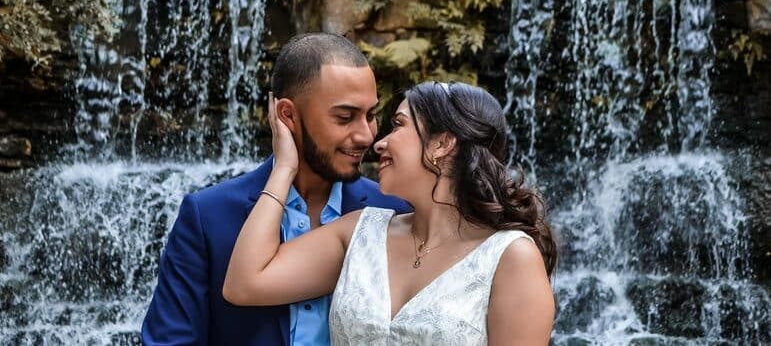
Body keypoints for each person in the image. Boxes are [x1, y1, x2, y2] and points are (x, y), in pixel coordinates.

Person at [224, 81, 557, 345]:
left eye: (398, 125)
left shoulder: (510, 256)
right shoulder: (358, 232)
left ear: (442, 143)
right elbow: (244, 284)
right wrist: (284, 167)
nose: (378, 143)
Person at [141, 33, 411, 345]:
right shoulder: (207, 216)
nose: (366, 135)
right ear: (287, 116)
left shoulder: (393, 212)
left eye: (370, 115)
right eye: (345, 117)